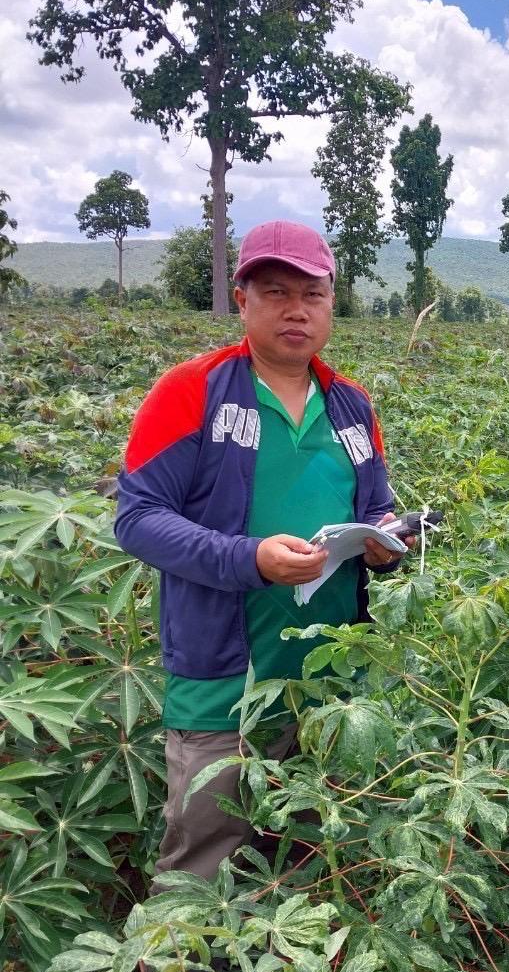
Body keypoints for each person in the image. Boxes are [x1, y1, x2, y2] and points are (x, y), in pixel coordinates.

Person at [116, 219, 411, 889]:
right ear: (242, 299)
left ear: (333, 303)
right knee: (205, 861)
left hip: (329, 682)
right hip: (226, 679)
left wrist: (387, 543)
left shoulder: (352, 408)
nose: (296, 310)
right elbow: (137, 519)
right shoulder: (193, 390)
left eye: (313, 294)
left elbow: (374, 511)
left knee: (305, 862)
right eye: (276, 291)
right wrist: (249, 559)